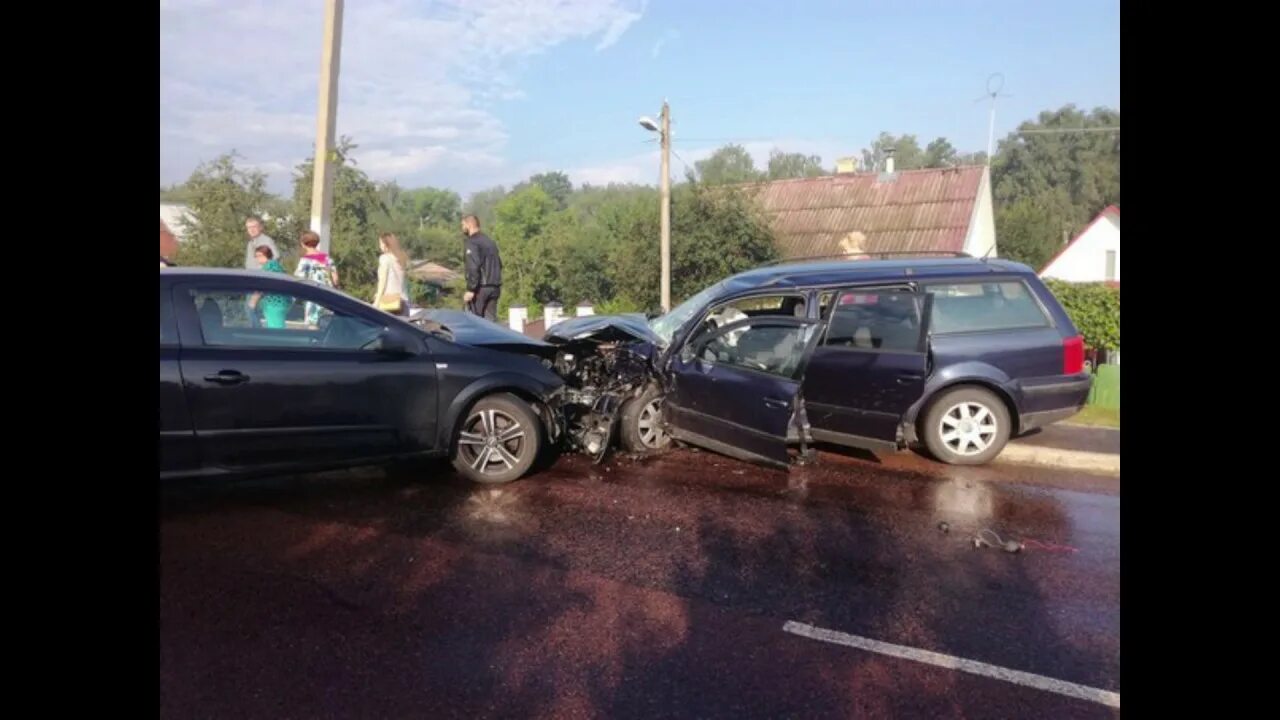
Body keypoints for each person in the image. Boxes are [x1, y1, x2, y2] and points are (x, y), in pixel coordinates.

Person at [294, 230, 339, 326]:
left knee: (312, 324)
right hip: (328, 295)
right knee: (326, 323)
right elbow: (335, 279)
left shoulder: (305, 260)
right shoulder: (327, 258)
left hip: (313, 296)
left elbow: (299, 278)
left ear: (303, 244)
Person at [461, 214, 502, 321]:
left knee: (475, 323)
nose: (462, 228)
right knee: (490, 324)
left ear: (469, 225)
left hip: (480, 288)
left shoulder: (472, 242)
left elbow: (473, 266)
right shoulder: (490, 242)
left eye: (463, 225)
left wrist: (471, 289)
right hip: (495, 287)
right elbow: (499, 264)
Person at [249, 246, 291, 329]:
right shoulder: (275, 265)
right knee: (277, 326)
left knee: (275, 329)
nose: (257, 258)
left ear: (267, 255)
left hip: (274, 303)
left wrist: (253, 301)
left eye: (259, 255)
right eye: (256, 256)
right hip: (280, 302)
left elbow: (262, 285)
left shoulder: (269, 266)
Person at [374, 232, 410, 317]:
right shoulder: (401, 259)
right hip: (403, 302)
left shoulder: (384, 258)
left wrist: (377, 302)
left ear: (386, 244)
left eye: (381, 243)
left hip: (390, 302)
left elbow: (382, 282)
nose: (380, 246)